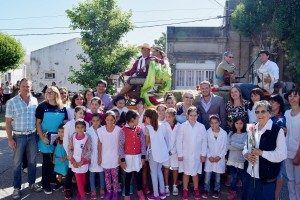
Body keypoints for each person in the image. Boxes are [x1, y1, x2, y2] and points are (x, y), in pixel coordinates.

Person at [5, 78, 42, 199]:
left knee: (32, 162)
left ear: (31, 87)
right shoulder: (12, 102)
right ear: (19, 87)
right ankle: (16, 188)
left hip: (32, 135)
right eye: (23, 86)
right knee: (17, 164)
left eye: (28, 86)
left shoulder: (35, 101)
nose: (26, 88)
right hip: (18, 136)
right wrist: (10, 139)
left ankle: (32, 183)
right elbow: (8, 123)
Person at [243, 100, 287, 200]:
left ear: (270, 113)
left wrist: (262, 153)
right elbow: (246, 147)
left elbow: (282, 154)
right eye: (257, 112)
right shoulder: (251, 128)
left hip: (267, 178)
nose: (260, 114)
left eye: (263, 111)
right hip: (251, 175)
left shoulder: (277, 130)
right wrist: (246, 154)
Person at [36, 86, 68, 194]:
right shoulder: (41, 107)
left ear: (56, 94)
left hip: (59, 140)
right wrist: (42, 137)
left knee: (56, 160)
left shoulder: (63, 107)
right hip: (46, 139)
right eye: (47, 92)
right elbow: (38, 123)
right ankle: (45, 184)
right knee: (47, 162)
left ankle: (52, 179)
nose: (49, 94)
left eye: (52, 92)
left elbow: (65, 122)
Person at [176, 106, 207, 200]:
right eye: (191, 115)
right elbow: (179, 141)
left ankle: (196, 189)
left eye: (195, 115)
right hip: (185, 155)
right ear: (187, 115)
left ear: (197, 115)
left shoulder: (201, 127)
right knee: (186, 172)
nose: (193, 117)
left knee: (195, 173)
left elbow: (204, 141)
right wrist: (180, 154)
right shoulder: (182, 126)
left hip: (197, 155)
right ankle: (185, 189)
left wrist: (203, 154)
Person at [119, 110, 146, 200]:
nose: (139, 120)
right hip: (128, 157)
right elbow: (120, 146)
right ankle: (127, 194)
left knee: (138, 175)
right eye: (137, 119)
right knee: (128, 176)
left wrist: (143, 157)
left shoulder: (139, 129)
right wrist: (122, 159)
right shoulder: (123, 130)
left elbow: (143, 143)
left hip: (138, 156)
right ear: (132, 119)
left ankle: (140, 191)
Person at [63, 106, 89, 199]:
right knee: (71, 173)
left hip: (83, 158)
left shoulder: (86, 124)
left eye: (83, 113)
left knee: (82, 175)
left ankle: (80, 191)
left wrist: (84, 158)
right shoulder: (69, 125)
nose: (81, 115)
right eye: (80, 113)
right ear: (75, 113)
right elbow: (66, 141)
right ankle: (67, 189)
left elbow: (87, 144)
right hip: (73, 157)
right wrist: (70, 156)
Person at [144, 108, 169, 200]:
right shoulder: (162, 125)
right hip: (163, 152)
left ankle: (156, 194)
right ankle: (162, 192)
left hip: (153, 153)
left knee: (153, 173)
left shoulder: (148, 128)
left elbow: (146, 143)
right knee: (159, 172)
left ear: (147, 117)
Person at [98, 111, 121, 200]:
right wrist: (99, 157)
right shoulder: (101, 130)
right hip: (105, 157)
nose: (110, 122)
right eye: (108, 120)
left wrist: (120, 157)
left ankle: (115, 192)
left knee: (115, 176)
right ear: (105, 120)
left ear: (115, 120)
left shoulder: (118, 130)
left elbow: (120, 144)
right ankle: (109, 192)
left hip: (115, 157)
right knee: (107, 177)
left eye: (112, 120)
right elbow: (99, 144)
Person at [203, 115, 227, 199]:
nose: (214, 125)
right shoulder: (207, 132)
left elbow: (225, 147)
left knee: (217, 176)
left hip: (219, 159)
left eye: (216, 122)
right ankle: (206, 190)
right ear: (209, 124)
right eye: (212, 123)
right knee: (207, 175)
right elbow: (205, 146)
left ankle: (217, 190)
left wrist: (219, 157)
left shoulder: (224, 133)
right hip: (209, 158)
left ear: (219, 122)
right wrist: (209, 156)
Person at [68, 119, 92, 200]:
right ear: (75, 128)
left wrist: (83, 160)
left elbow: (89, 150)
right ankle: (83, 196)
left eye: (82, 127)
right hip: (75, 162)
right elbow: (70, 149)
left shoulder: (87, 137)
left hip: (83, 162)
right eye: (78, 127)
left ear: (85, 128)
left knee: (83, 178)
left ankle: (80, 192)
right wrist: (73, 161)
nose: (80, 129)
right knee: (78, 179)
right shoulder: (73, 136)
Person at [269, 94, 287, 200]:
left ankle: (276, 196)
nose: (270, 104)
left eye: (273, 102)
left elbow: (281, 134)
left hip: (278, 149)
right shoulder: (266, 115)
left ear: (279, 104)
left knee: (279, 174)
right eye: (269, 102)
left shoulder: (281, 118)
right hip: (267, 148)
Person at [284, 89, 300, 200]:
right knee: (290, 180)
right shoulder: (286, 113)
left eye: (295, 96)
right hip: (287, 152)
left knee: (298, 182)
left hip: (298, 153)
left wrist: (298, 156)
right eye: (290, 96)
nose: (292, 98)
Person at [226, 117, 247, 200]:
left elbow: (245, 146)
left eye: (241, 123)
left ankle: (245, 193)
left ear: (244, 124)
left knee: (243, 177)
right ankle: (233, 192)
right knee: (233, 177)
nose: (238, 125)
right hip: (232, 159)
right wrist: (239, 145)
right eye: (237, 123)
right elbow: (228, 146)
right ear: (234, 124)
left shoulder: (246, 134)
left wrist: (233, 143)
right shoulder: (231, 133)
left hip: (242, 160)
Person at [86, 113, 105, 199]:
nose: (95, 122)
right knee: (92, 173)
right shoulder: (88, 131)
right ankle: (93, 190)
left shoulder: (104, 129)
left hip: (102, 154)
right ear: (91, 121)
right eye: (93, 121)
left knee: (101, 173)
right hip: (92, 155)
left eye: (97, 120)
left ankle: (102, 189)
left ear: (100, 120)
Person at [163, 108, 180, 196]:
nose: (167, 118)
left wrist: (173, 151)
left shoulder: (179, 126)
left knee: (175, 169)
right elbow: (163, 139)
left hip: (175, 152)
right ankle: (166, 186)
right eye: (166, 116)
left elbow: (179, 140)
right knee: (166, 168)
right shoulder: (163, 125)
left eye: (169, 117)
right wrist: (166, 150)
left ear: (174, 117)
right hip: (166, 151)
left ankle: (174, 186)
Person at [53, 124, 68, 191]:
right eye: (59, 131)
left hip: (65, 159)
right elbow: (55, 149)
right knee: (59, 172)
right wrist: (54, 158)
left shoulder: (67, 140)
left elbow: (69, 151)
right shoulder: (56, 140)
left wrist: (65, 157)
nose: (60, 133)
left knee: (66, 171)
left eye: (62, 132)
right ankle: (59, 183)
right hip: (58, 158)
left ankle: (66, 185)